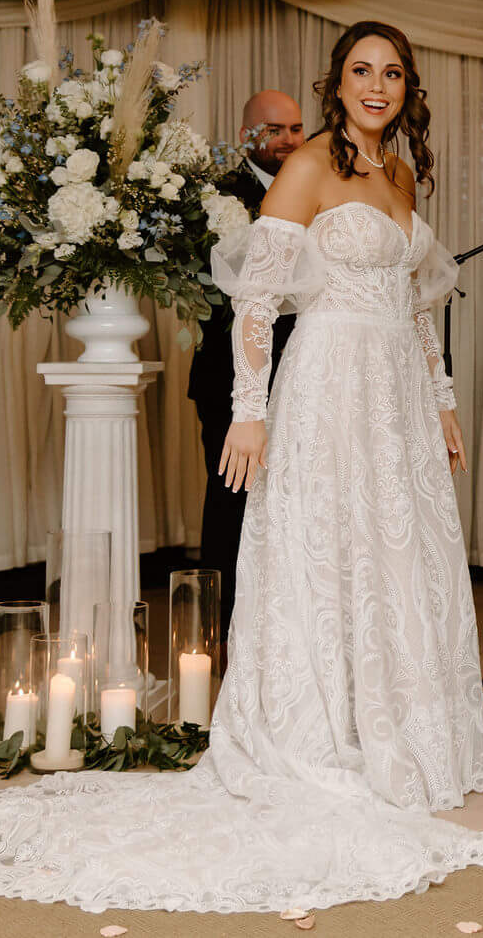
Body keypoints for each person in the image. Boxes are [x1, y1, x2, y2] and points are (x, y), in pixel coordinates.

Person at [0, 22, 483, 912]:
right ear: (337, 83)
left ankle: (394, 732)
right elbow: (256, 297)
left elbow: (413, 305)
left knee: (392, 562)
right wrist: (248, 416)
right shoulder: (311, 165)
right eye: (363, 71)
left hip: (396, 403)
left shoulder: (402, 173)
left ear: (410, 87)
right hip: (327, 388)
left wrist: (441, 401)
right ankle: (317, 732)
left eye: (394, 73)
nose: (379, 86)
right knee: (325, 558)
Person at [186, 88, 304, 637]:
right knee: (233, 502)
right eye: (275, 130)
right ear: (246, 137)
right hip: (231, 379)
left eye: (296, 129)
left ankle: (285, 630)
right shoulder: (216, 197)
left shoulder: (316, 194)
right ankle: (223, 635)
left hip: (305, 373)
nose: (288, 140)